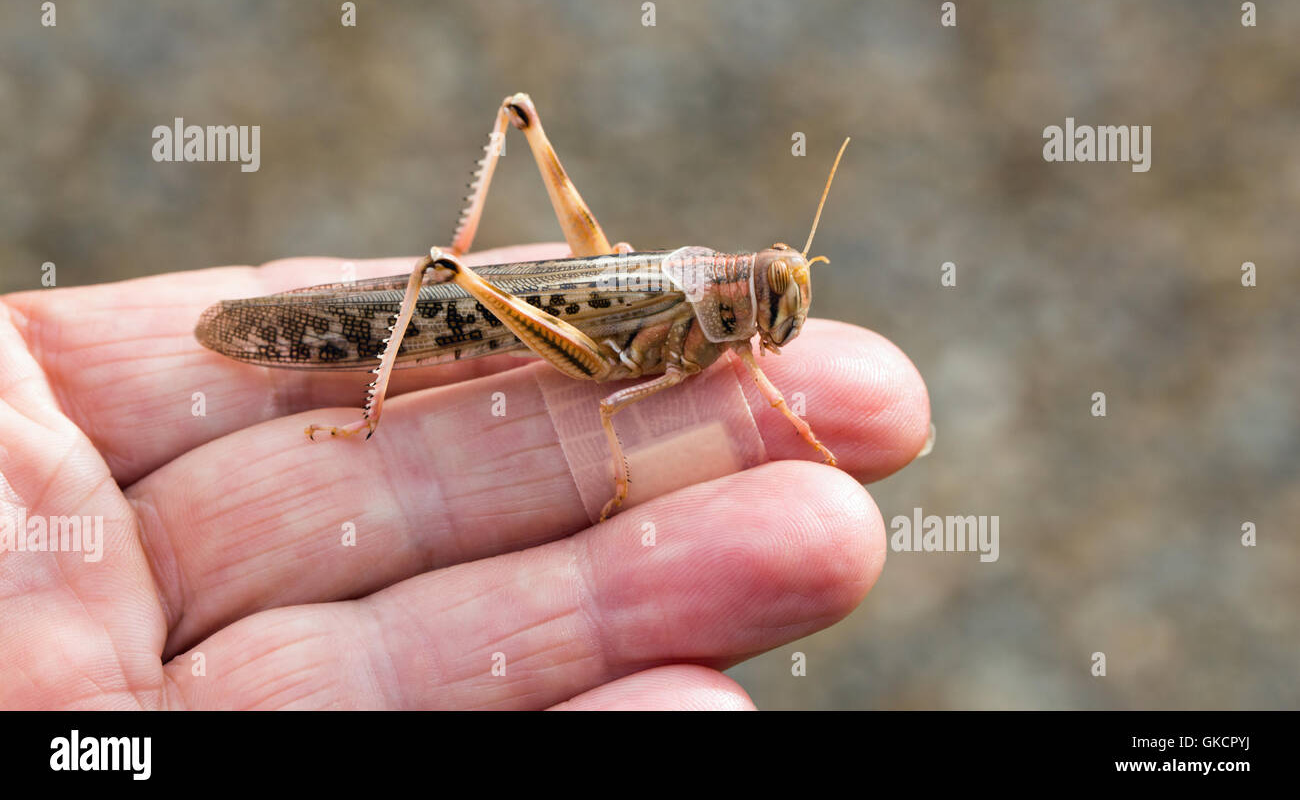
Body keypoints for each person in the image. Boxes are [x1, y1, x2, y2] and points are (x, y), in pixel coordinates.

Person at [0, 243, 930, 709]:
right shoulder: (697, 315)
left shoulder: (724, 321)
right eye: (769, 298)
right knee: (456, 278)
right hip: (585, 321)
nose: (776, 316)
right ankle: (371, 403)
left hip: (612, 299)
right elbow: (612, 401)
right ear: (739, 294)